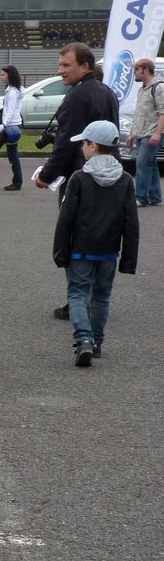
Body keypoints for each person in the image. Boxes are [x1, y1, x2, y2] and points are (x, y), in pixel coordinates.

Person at [35, 43, 120, 319]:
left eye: (66, 65)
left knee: (75, 238)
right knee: (101, 236)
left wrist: (47, 175)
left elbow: (66, 142)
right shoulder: (107, 92)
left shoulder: (78, 96)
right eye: (60, 65)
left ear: (85, 66)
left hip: (81, 176)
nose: (60, 70)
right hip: (109, 174)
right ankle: (96, 298)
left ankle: (79, 301)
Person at [52, 120, 138, 366]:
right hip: (109, 252)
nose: (82, 148)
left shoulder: (79, 178)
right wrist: (128, 259)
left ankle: (84, 339)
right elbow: (131, 222)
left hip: (81, 250)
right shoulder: (125, 180)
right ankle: (97, 342)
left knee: (78, 293)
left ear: (93, 145)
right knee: (102, 296)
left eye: (84, 143)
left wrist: (60, 251)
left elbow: (66, 219)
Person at [125, 57, 164, 207]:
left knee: (141, 163)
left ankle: (141, 197)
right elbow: (139, 114)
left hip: (152, 133)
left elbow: (162, 112)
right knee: (150, 164)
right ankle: (155, 197)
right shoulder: (142, 89)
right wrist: (132, 133)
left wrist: (157, 133)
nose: (134, 73)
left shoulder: (158, 87)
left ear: (146, 70)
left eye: (137, 69)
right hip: (141, 133)